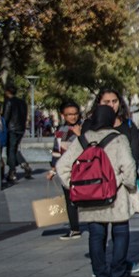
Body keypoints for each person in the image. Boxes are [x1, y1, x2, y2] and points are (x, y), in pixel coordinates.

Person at [57, 102, 139, 277]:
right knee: (120, 232)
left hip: (90, 195)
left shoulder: (82, 140)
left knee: (96, 234)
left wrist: (75, 186)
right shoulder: (118, 139)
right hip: (115, 194)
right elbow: (128, 167)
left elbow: (61, 166)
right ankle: (118, 272)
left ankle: (101, 275)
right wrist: (127, 185)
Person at [48, 100, 85, 238]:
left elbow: (91, 147)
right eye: (69, 114)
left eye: (75, 114)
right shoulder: (60, 132)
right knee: (69, 200)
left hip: (83, 168)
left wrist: (81, 135)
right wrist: (52, 169)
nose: (73, 117)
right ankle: (75, 229)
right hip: (66, 170)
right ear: (63, 115)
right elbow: (57, 152)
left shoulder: (84, 128)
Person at [2, 85, 32, 181]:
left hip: (11, 129)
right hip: (21, 128)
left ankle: (12, 172)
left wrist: (2, 127)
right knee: (14, 149)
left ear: (7, 92)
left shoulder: (9, 102)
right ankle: (24, 164)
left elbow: (6, 117)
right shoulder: (22, 102)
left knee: (11, 150)